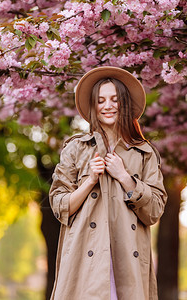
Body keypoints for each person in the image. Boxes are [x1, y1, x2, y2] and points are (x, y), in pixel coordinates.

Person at [49, 66, 167, 300]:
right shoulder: (75, 148)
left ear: (124, 103)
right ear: (94, 106)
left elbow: (154, 212)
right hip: (84, 262)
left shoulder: (144, 153)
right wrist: (90, 181)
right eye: (101, 100)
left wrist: (125, 178)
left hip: (128, 262)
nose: (108, 106)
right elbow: (59, 205)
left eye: (114, 99)